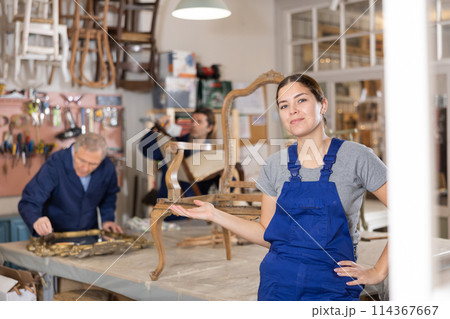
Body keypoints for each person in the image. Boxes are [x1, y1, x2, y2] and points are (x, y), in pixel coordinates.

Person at [170, 74, 389, 301]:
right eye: (284, 105)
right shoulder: (275, 165)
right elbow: (267, 233)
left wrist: (378, 271)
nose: (292, 110)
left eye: (301, 100)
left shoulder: (357, 157)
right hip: (277, 285)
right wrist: (215, 214)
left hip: (332, 287)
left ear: (322, 104)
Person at [19, 133, 123, 236]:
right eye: (81, 160)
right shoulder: (55, 163)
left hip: (89, 235)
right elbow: (29, 201)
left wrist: (108, 219)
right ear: (74, 152)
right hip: (54, 235)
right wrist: (36, 219)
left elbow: (109, 197)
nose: (85, 168)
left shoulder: (107, 167)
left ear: (101, 160)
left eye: (93, 164)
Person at [139, 107, 219, 202]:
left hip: (194, 208)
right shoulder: (175, 144)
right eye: (192, 120)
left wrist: (221, 172)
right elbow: (146, 149)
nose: (194, 124)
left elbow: (228, 186)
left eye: (199, 122)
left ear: (210, 127)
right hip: (167, 205)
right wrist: (157, 128)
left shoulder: (214, 153)